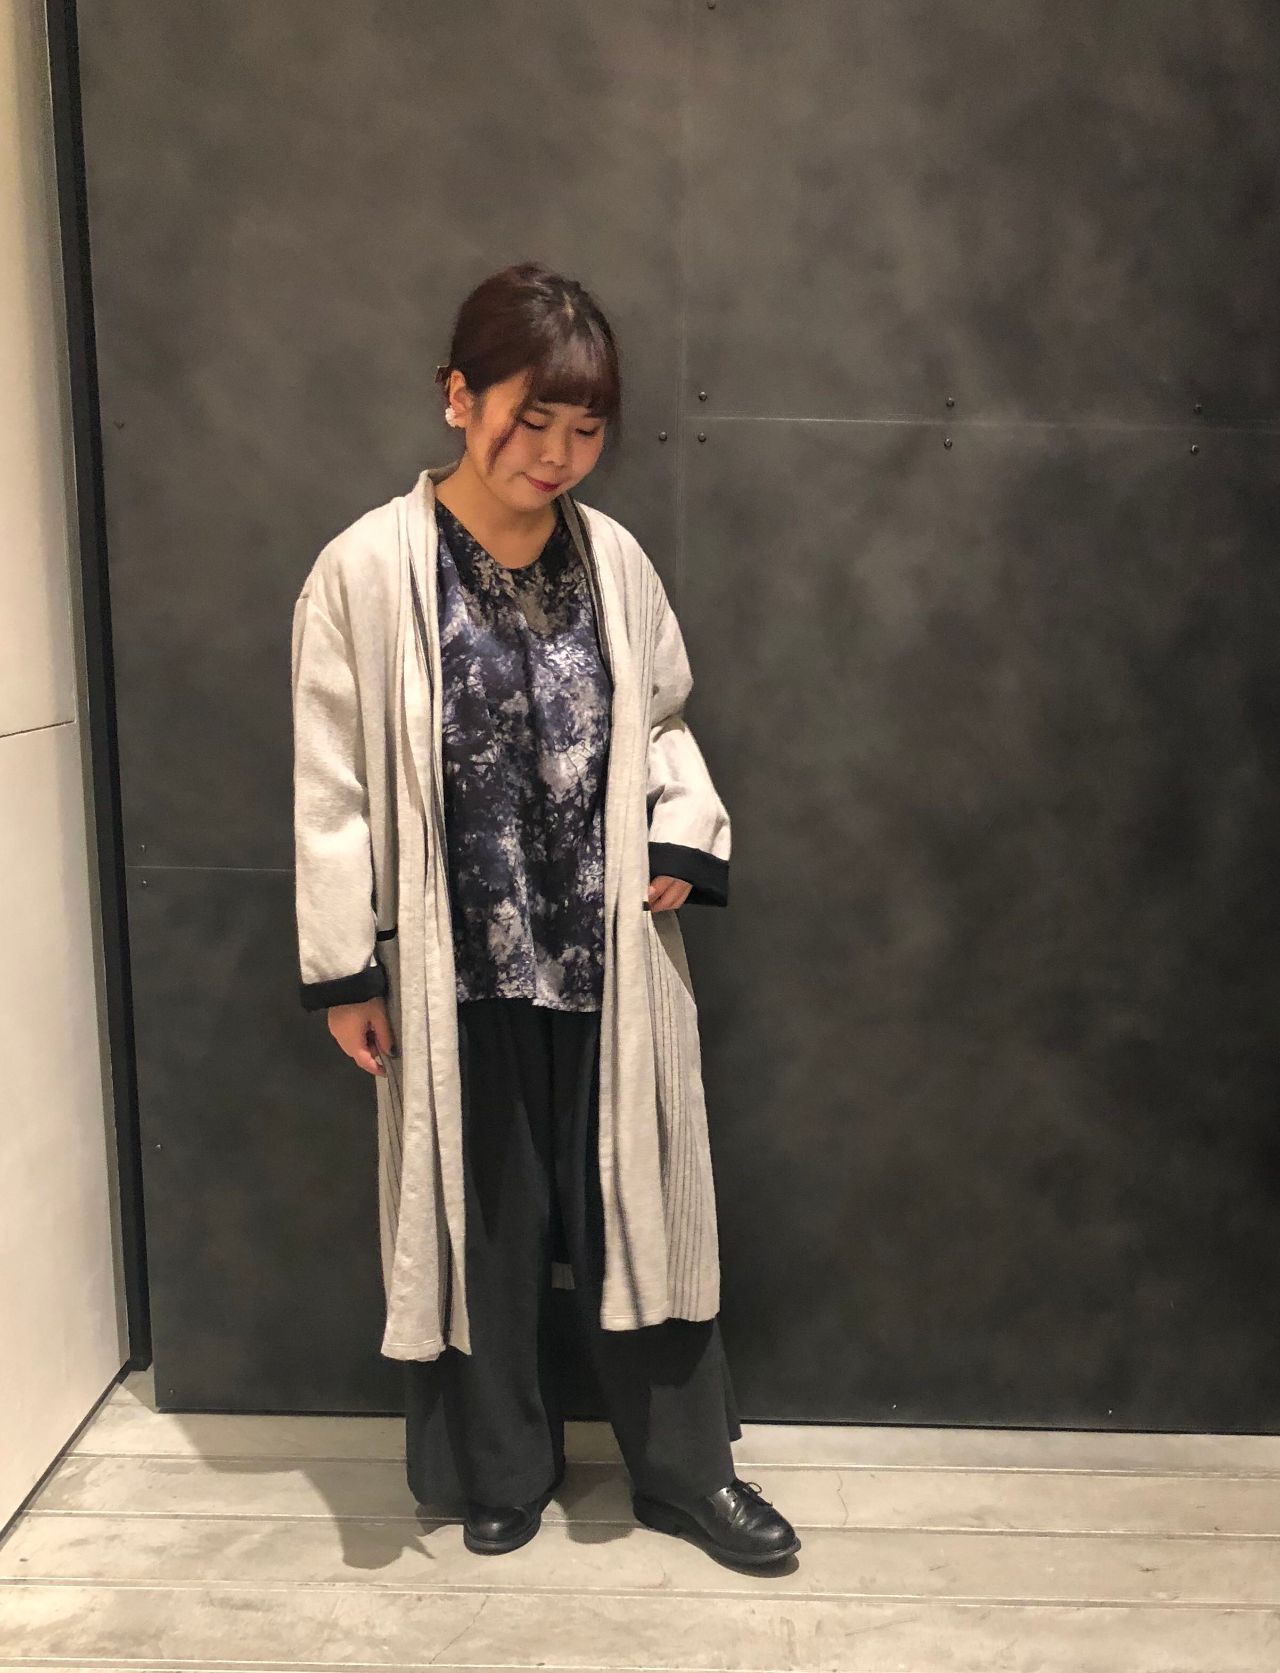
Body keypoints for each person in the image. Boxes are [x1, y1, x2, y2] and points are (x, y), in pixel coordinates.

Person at [291, 262, 798, 1567]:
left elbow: (664, 717)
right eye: (532, 421)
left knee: (643, 1208)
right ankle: (497, 1469)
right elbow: (333, 786)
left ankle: (686, 1475)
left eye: (585, 429)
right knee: (486, 1233)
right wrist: (346, 973)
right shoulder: (365, 571)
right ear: (458, 398)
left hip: (606, 956)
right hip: (454, 972)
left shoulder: (613, 561)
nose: (558, 455)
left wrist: (679, 832)